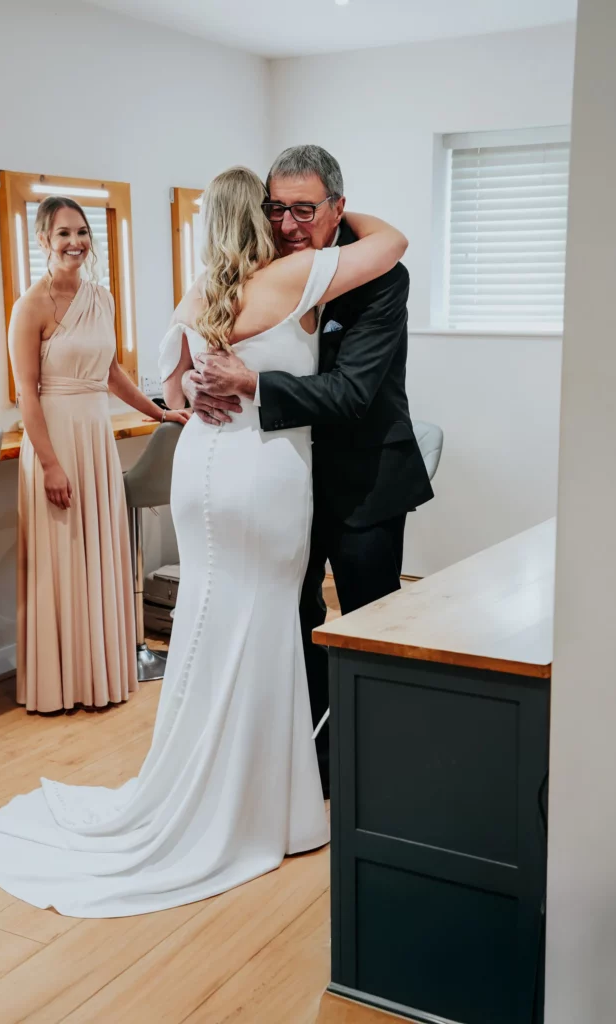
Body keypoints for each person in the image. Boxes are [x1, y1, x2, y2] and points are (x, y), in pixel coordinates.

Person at [0, 167, 407, 917]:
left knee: (210, 625)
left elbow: (174, 390)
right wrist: (339, 215)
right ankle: (267, 805)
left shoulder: (202, 291)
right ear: (264, 219)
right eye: (280, 210)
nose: (292, 223)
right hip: (263, 474)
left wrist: (209, 382)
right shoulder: (297, 277)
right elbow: (392, 242)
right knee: (265, 628)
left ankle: (206, 781)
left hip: (200, 468)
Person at [186, 146, 434, 795]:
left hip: (366, 478)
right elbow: (206, 338)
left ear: (338, 207)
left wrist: (251, 384)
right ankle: (305, 760)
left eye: (305, 210)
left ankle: (374, 769)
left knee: (366, 625)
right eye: (277, 209)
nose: (288, 225)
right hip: (283, 483)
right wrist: (195, 383)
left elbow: (351, 394)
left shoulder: (380, 277)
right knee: (290, 618)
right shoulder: (263, 267)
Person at [8, 197, 190, 713]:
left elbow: (111, 374)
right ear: (43, 241)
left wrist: (159, 413)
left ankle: (99, 674)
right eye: (63, 234)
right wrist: (49, 465)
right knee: (64, 557)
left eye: (82, 232)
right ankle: (60, 684)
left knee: (99, 555)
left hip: (95, 439)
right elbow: (26, 395)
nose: (75, 243)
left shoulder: (102, 299)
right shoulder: (29, 307)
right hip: (56, 440)